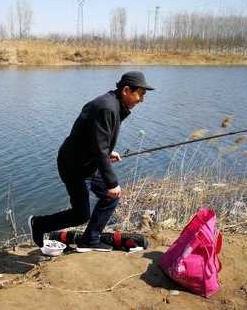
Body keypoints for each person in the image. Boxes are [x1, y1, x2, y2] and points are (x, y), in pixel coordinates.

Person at [28, 71, 154, 252]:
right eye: (140, 94)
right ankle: (39, 223)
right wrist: (111, 181)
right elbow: (99, 147)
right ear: (126, 90)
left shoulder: (115, 105)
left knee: (111, 198)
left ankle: (90, 240)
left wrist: (108, 152)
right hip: (74, 166)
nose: (142, 99)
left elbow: (95, 140)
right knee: (81, 214)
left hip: (89, 162)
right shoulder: (107, 108)